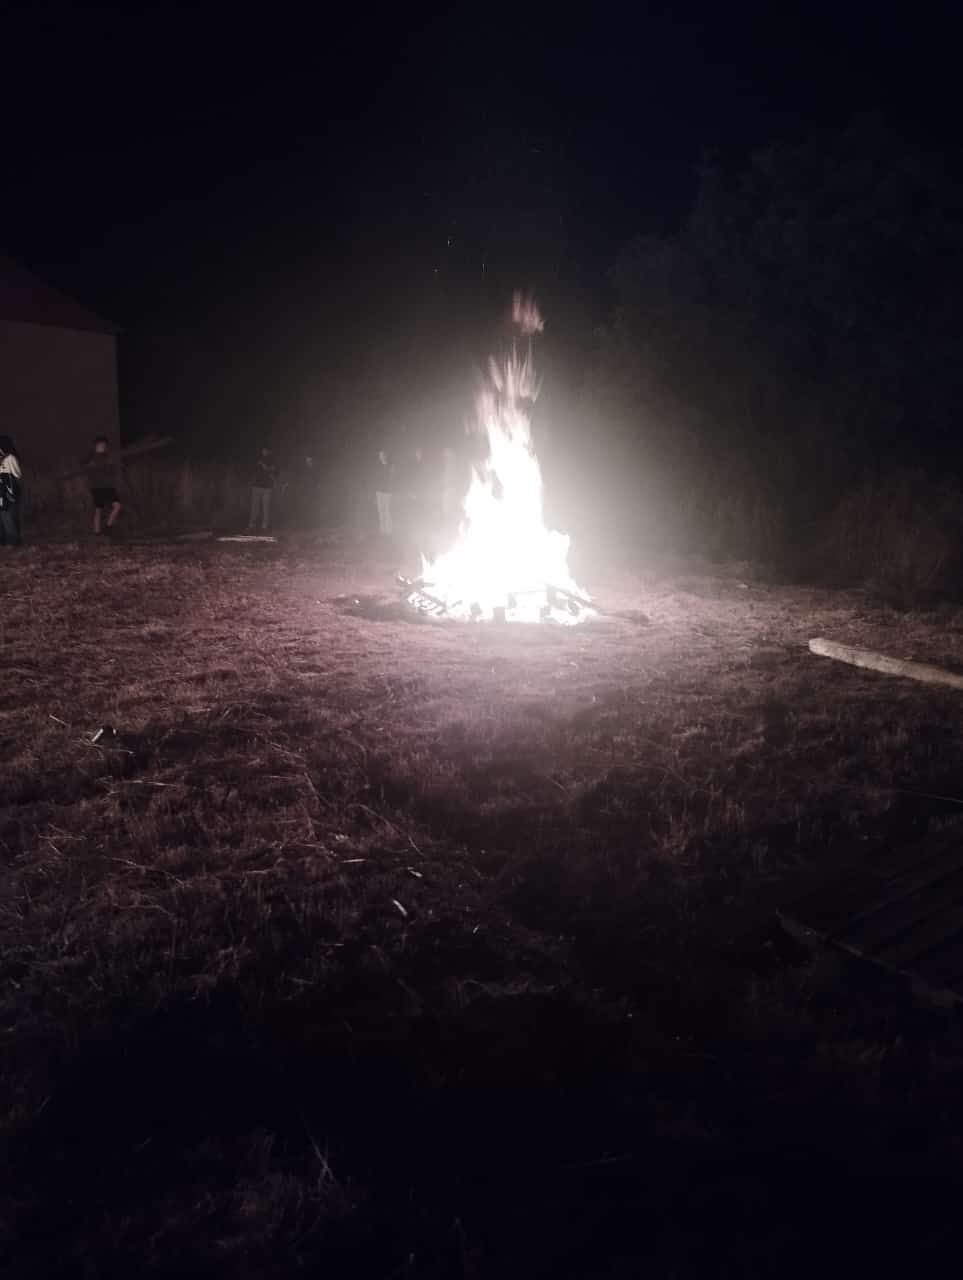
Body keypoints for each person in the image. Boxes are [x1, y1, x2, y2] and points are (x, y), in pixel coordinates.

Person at [83, 436, 123, 535]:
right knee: (98, 509)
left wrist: (111, 467)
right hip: (97, 487)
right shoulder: (90, 457)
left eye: (104, 445)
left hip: (108, 486)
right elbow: (86, 468)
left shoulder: (108, 457)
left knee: (117, 506)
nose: (103, 446)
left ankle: (108, 526)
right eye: (101, 444)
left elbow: (112, 470)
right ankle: (97, 532)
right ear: (96, 446)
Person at [0, 435, 23, 547]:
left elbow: (17, 474)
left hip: (8, 489)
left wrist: (5, 474)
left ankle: (13, 540)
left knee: (8, 514)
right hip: (1, 490)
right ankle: (3, 540)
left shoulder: (10, 458)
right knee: (2, 515)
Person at [248, 446, 277, 531]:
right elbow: (252, 470)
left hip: (267, 487)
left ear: (269, 451)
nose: (264, 451)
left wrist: (264, 466)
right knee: (254, 507)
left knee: (266, 508)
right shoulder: (256, 459)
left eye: (266, 450)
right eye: (263, 450)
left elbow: (274, 470)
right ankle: (252, 524)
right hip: (256, 486)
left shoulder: (273, 460)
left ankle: (264, 526)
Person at [374, 448, 393, 536]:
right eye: (380, 455)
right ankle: (382, 531)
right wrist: (376, 491)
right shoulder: (378, 467)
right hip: (379, 491)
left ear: (386, 455)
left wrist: (390, 489)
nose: (381, 457)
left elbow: (391, 478)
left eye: (383, 455)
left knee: (387, 511)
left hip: (387, 491)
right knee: (380, 511)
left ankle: (389, 531)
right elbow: (376, 478)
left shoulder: (390, 466)